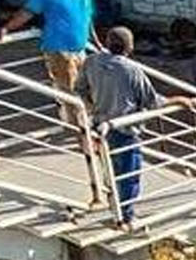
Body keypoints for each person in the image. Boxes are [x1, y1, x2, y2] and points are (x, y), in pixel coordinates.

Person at [76, 25, 187, 227]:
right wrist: (180, 100)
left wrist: (91, 106)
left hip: (101, 126)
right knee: (129, 175)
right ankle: (125, 216)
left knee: (111, 169)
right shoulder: (132, 70)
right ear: (130, 47)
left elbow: (79, 88)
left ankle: (116, 207)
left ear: (108, 43)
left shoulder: (92, 62)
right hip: (125, 130)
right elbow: (152, 101)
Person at [0, 0, 96, 125]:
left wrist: (96, 42)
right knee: (70, 94)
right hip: (59, 50)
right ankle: (80, 131)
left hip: (81, 50)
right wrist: (7, 27)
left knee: (86, 91)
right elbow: (28, 12)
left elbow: (87, 16)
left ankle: (86, 126)